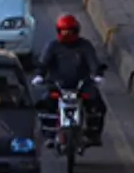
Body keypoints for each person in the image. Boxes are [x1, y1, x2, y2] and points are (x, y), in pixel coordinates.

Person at [35, 14, 106, 144]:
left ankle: (93, 134)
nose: (66, 33)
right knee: (43, 104)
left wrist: (97, 75)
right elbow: (43, 63)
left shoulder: (85, 46)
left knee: (98, 106)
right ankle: (49, 134)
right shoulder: (52, 46)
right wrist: (39, 75)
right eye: (64, 30)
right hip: (57, 86)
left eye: (69, 30)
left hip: (81, 86)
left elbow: (93, 62)